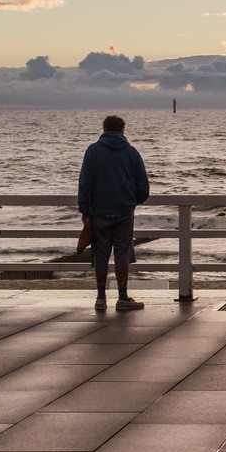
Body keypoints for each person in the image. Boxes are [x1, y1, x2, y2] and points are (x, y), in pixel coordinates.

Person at [78, 114, 150, 310]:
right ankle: (123, 297)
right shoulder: (131, 152)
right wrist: (133, 201)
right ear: (122, 130)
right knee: (122, 254)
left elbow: (85, 183)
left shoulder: (93, 151)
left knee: (100, 255)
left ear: (104, 129)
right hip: (124, 210)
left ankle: (101, 298)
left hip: (99, 211)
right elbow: (143, 186)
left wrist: (85, 211)